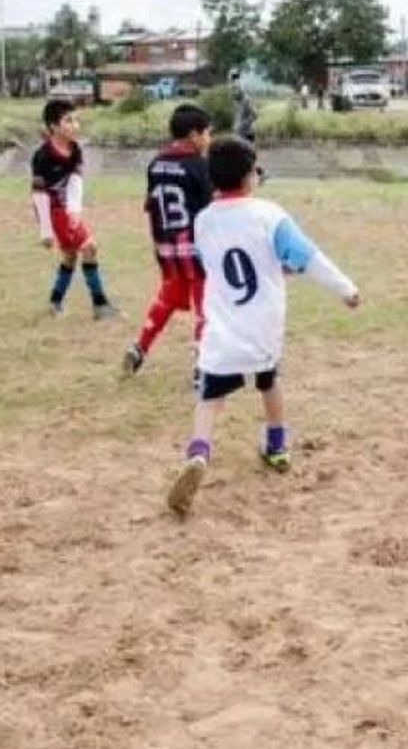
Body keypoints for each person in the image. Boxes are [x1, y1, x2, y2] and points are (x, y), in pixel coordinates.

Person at [166, 136, 360, 517]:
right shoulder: (269, 215)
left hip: (221, 332)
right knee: (269, 382)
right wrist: (346, 289)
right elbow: (308, 258)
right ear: (249, 175)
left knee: (209, 399)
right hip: (262, 328)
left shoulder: (203, 221)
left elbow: (218, 265)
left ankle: (199, 452)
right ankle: (276, 445)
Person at [124, 104, 215, 375]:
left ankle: (139, 346)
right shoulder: (199, 166)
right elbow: (210, 209)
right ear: (193, 135)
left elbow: (150, 203)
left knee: (168, 299)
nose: (209, 139)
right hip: (194, 247)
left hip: (165, 246)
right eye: (207, 133)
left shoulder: (155, 164)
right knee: (204, 304)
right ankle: (202, 364)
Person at [31, 99, 117, 319]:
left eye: (76, 120)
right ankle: (100, 305)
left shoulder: (75, 149)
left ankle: (55, 302)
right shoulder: (43, 156)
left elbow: (76, 180)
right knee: (90, 247)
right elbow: (39, 195)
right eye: (68, 121)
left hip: (66, 210)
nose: (75, 125)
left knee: (70, 256)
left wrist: (75, 210)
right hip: (54, 211)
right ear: (53, 127)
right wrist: (46, 231)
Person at [231, 70, 258, 143]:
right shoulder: (234, 101)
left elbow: (255, 115)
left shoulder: (246, 101)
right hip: (237, 133)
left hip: (247, 133)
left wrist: (243, 124)